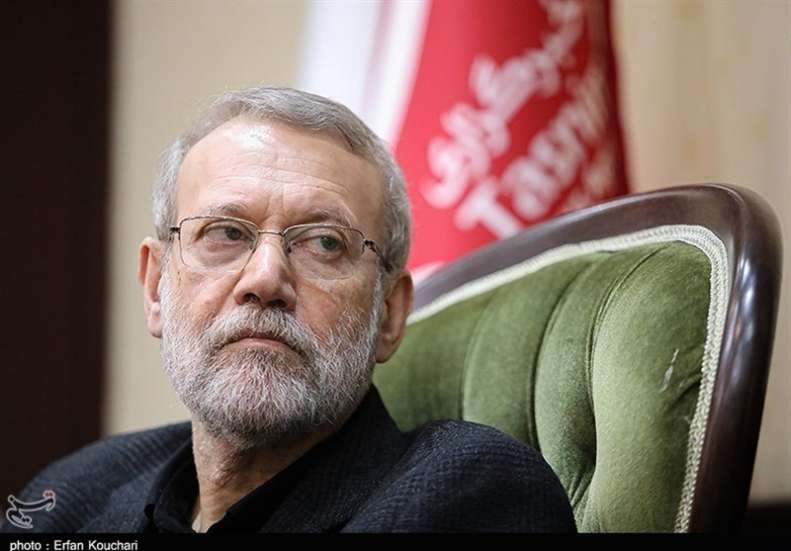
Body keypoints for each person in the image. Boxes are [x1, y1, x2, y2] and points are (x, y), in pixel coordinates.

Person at [2, 86, 575, 533]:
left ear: (389, 314)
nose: (265, 279)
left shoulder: (466, 492)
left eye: (324, 242)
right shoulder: (70, 498)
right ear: (155, 287)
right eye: (226, 232)